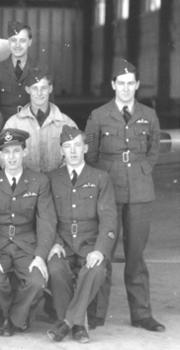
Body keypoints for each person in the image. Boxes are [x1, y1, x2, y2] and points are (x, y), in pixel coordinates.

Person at [84, 58, 165, 332]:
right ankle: (95, 314)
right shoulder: (98, 115)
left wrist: (144, 166)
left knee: (136, 255)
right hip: (109, 189)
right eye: (121, 83)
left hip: (141, 190)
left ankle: (141, 314)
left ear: (138, 85)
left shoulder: (149, 115)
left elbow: (155, 147)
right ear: (112, 85)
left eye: (131, 83)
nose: (126, 88)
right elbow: (91, 155)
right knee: (103, 252)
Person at [0, 128, 56, 336]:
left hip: (26, 243)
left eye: (16, 151)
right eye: (6, 152)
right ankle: (19, 316)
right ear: (0, 155)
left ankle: (11, 319)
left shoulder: (39, 181)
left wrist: (40, 256)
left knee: (37, 281)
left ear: (24, 152)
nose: (11, 157)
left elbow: (46, 221)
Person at [45, 126, 117, 343]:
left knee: (95, 270)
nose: (73, 151)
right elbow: (46, 218)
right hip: (63, 244)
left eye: (77, 145)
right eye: (68, 147)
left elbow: (109, 219)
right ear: (61, 151)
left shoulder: (100, 178)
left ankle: (67, 323)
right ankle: (77, 325)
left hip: (90, 244)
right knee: (56, 269)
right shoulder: (51, 178)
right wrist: (54, 243)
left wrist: (100, 250)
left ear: (85, 147)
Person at [4, 67, 77, 173]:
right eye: (34, 88)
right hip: (25, 184)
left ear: (50, 89)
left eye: (43, 88)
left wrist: (60, 179)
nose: (39, 93)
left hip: (58, 184)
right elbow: (4, 157)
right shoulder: (13, 124)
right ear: (27, 90)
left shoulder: (66, 123)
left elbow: (74, 156)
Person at [0, 21, 41, 122]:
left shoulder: (41, 69)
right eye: (13, 40)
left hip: (33, 129)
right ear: (8, 42)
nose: (17, 45)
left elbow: (48, 107)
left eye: (23, 40)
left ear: (30, 42)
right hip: (5, 132)